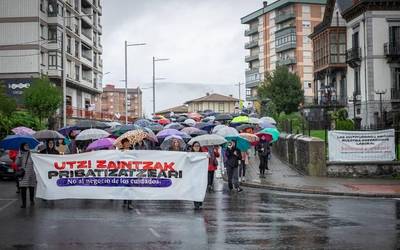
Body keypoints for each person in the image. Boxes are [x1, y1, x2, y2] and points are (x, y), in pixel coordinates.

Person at [16, 143, 36, 208]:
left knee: (31, 187)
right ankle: (24, 203)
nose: (27, 146)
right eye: (25, 145)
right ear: (22, 146)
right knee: (23, 189)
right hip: (24, 174)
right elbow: (17, 163)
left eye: (27, 145)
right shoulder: (20, 154)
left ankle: (32, 200)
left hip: (32, 173)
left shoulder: (32, 153)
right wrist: (19, 156)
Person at [119, 138, 133, 209]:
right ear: (123, 144)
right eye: (126, 143)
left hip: (131, 171)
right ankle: (125, 201)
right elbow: (118, 160)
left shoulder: (133, 151)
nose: (128, 144)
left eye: (128, 142)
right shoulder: (120, 152)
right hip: (123, 171)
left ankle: (130, 203)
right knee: (125, 187)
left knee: (130, 187)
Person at [191, 142, 204, 210]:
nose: (197, 147)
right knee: (195, 189)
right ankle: (196, 203)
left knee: (200, 188)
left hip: (201, 175)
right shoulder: (190, 154)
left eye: (198, 146)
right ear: (192, 147)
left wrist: (207, 157)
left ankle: (200, 200)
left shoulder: (203, 154)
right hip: (193, 175)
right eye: (195, 146)